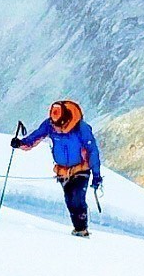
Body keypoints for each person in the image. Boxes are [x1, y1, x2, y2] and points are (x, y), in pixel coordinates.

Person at [12, 100, 102, 236]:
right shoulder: (50, 124)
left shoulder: (81, 128)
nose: (56, 127)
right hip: (62, 171)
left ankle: (82, 229)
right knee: (69, 200)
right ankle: (78, 229)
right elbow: (36, 136)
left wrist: (96, 175)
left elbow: (92, 151)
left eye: (58, 123)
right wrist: (20, 143)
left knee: (77, 198)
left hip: (81, 169)